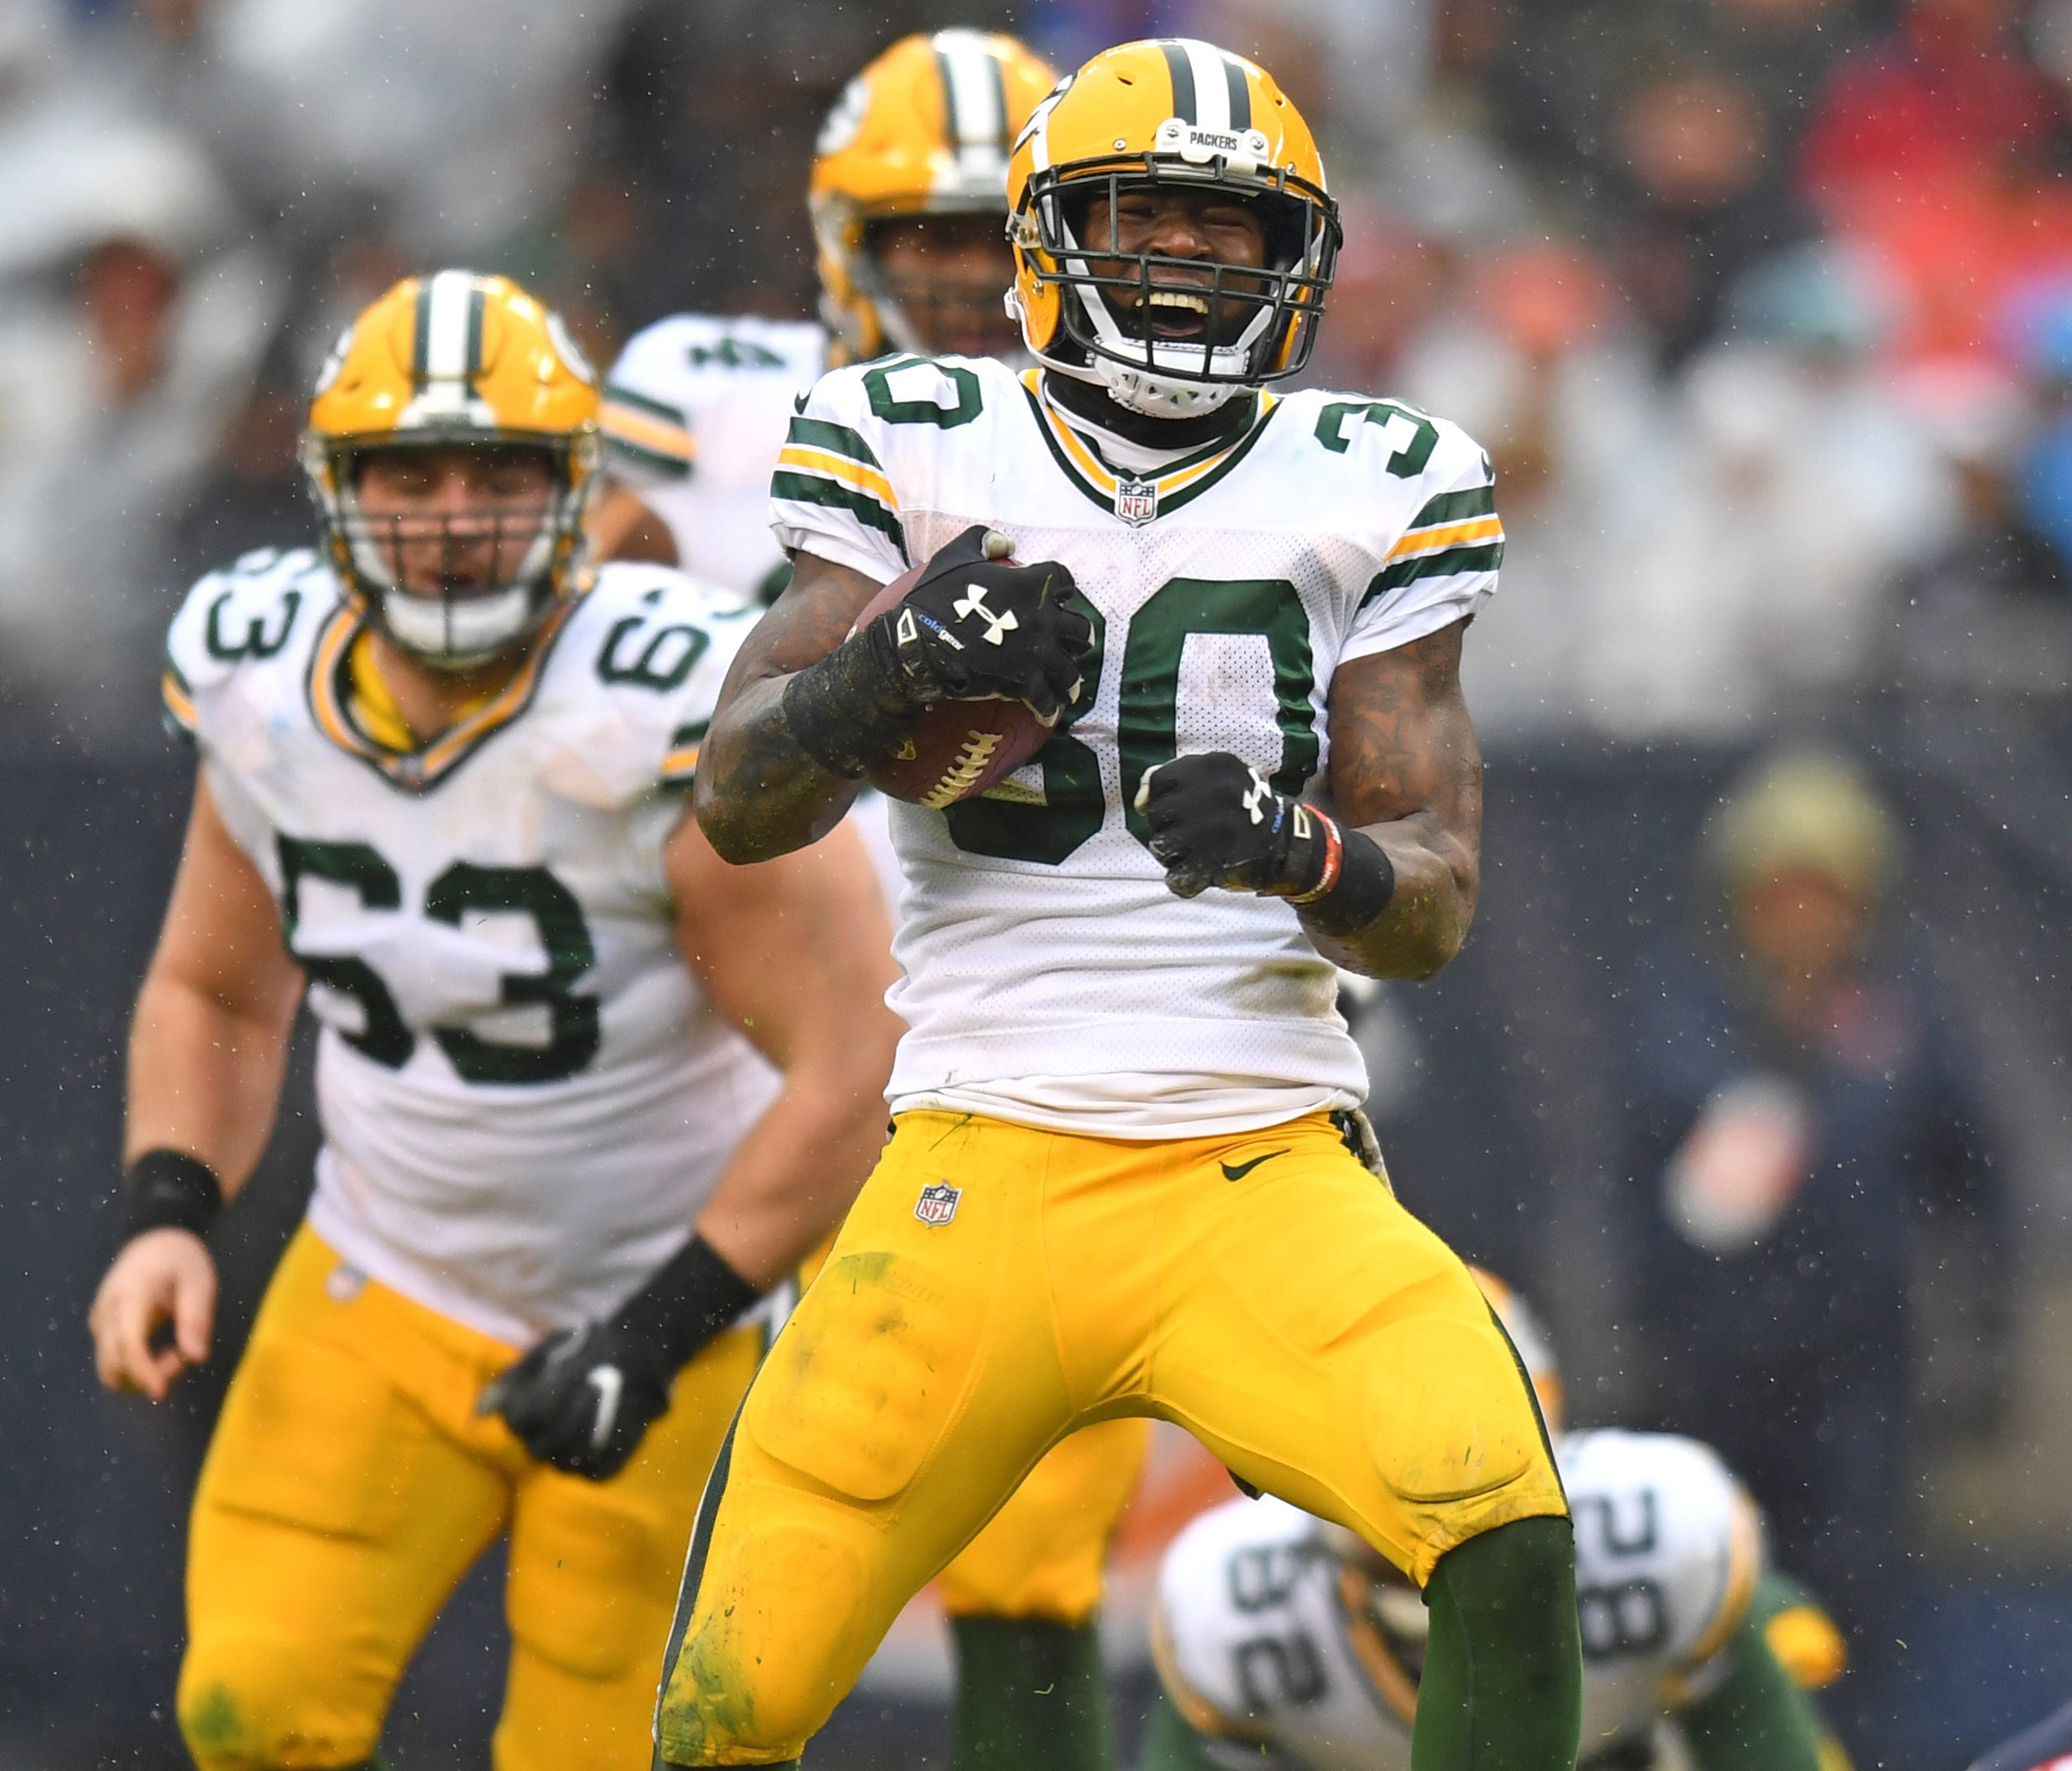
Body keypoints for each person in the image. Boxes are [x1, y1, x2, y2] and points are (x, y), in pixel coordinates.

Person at [662, 37, 1582, 1769]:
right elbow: (735, 800)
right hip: (974, 1150)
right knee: (729, 1691)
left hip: (1254, 1151)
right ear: (1046, 240)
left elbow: (1432, 906)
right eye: (1140, 215)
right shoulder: (913, 438)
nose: (1179, 257)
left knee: (1505, 1518)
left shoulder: (1372, 477)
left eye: (1226, 230)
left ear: (1292, 260)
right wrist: (881, 684)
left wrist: (1296, 853)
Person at [84, 269, 902, 1771]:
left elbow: (855, 1067)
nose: (453, 514)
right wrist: (167, 1206)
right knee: (248, 1709)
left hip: (664, 1305)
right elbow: (213, 987)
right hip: (383, 1278)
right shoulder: (259, 674)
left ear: (573, 491)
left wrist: (651, 1334)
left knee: (603, 1751)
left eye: (497, 473)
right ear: (334, 491)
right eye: (410, 474)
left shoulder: (655, 703)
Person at [598, 33, 1156, 1770]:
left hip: (1017, 1018)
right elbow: (581, 691)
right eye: (917, 229)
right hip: (748, 1039)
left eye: (989, 230)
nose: (952, 273)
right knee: (700, 1524)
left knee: (1030, 1535)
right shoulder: (703, 395)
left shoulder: (1151, 428)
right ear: (840, 230)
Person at [1625, 745, 2000, 1756]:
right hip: (1714, 1387)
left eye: (1821, 893)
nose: (1800, 919)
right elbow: (1649, 1200)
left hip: (1856, 1386)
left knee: (1856, 1623)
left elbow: (1975, 1183)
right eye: (1778, 894)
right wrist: (1642, 1344)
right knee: (1710, 1615)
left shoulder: (1903, 1020)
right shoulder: (1683, 1019)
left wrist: (1982, 1350)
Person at [1141, 1272, 1842, 1771]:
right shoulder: (1231, 1616)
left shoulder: (1666, 1544)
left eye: (1467, 1455)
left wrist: (1759, 1618)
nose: (1432, 1512)